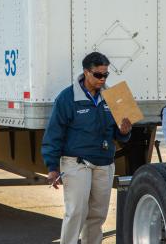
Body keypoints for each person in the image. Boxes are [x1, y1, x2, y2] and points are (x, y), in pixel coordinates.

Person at [41, 51, 132, 244]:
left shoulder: (115, 97)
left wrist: (124, 131)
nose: (102, 79)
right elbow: (54, 134)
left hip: (104, 164)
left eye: (105, 74)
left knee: (98, 216)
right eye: (98, 75)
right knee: (76, 212)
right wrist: (52, 167)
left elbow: (121, 135)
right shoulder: (67, 98)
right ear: (86, 72)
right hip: (76, 163)